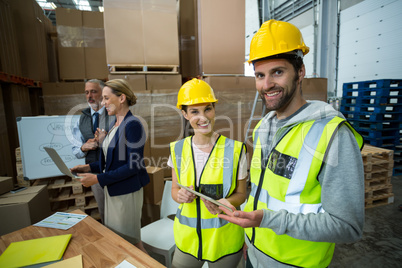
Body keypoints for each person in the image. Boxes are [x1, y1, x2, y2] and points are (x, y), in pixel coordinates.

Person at [218, 19, 365, 268]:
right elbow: (264, 191)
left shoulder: (332, 134)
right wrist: (243, 222)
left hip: (296, 263)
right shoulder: (264, 127)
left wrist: (266, 220)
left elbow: (347, 226)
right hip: (254, 252)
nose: (266, 85)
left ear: (300, 72)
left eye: (278, 72)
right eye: (260, 75)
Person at [168, 78, 248, 268]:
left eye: (208, 109)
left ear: (214, 109)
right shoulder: (177, 149)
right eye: (195, 112)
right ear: (185, 114)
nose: (203, 118)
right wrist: (180, 195)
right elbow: (174, 190)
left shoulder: (236, 150)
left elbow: (241, 194)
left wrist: (226, 203)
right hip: (187, 241)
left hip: (224, 240)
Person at [71, 79, 150, 253]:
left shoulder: (133, 124)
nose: (103, 102)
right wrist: (87, 168)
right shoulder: (115, 125)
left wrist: (98, 178)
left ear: (121, 98)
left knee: (131, 243)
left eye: (106, 98)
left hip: (127, 193)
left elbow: (133, 166)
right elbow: (110, 160)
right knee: (120, 240)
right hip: (114, 190)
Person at [72, 79, 115, 223]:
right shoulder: (82, 117)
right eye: (86, 92)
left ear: (103, 94)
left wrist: (104, 142)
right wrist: (83, 147)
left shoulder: (114, 114)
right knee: (103, 210)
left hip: (114, 169)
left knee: (118, 211)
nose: (89, 96)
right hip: (93, 170)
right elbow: (76, 150)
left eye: (93, 91)